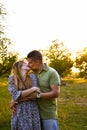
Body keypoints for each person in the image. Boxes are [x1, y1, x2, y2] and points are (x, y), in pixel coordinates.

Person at [26, 50, 61, 130]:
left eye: (30, 62)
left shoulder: (51, 72)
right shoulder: (30, 74)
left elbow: (56, 93)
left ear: (38, 61)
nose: (28, 65)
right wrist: (14, 101)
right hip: (33, 114)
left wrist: (38, 95)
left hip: (48, 114)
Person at [8, 59, 41, 130]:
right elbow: (15, 94)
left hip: (32, 109)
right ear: (19, 67)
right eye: (26, 63)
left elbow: (35, 95)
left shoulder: (32, 77)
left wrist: (15, 101)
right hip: (19, 110)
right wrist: (32, 89)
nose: (28, 64)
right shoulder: (12, 78)